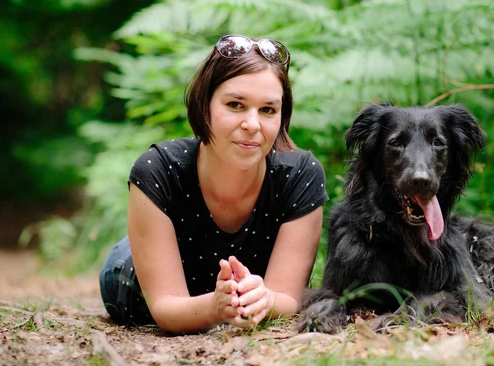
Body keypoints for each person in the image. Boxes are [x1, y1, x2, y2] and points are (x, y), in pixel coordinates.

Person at [99, 35, 328, 333]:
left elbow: (287, 297)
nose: (252, 124)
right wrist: (215, 307)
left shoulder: (301, 175)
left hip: (238, 293)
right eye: (235, 105)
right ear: (204, 104)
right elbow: (165, 307)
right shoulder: (158, 169)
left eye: (268, 110)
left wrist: (264, 299)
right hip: (137, 279)